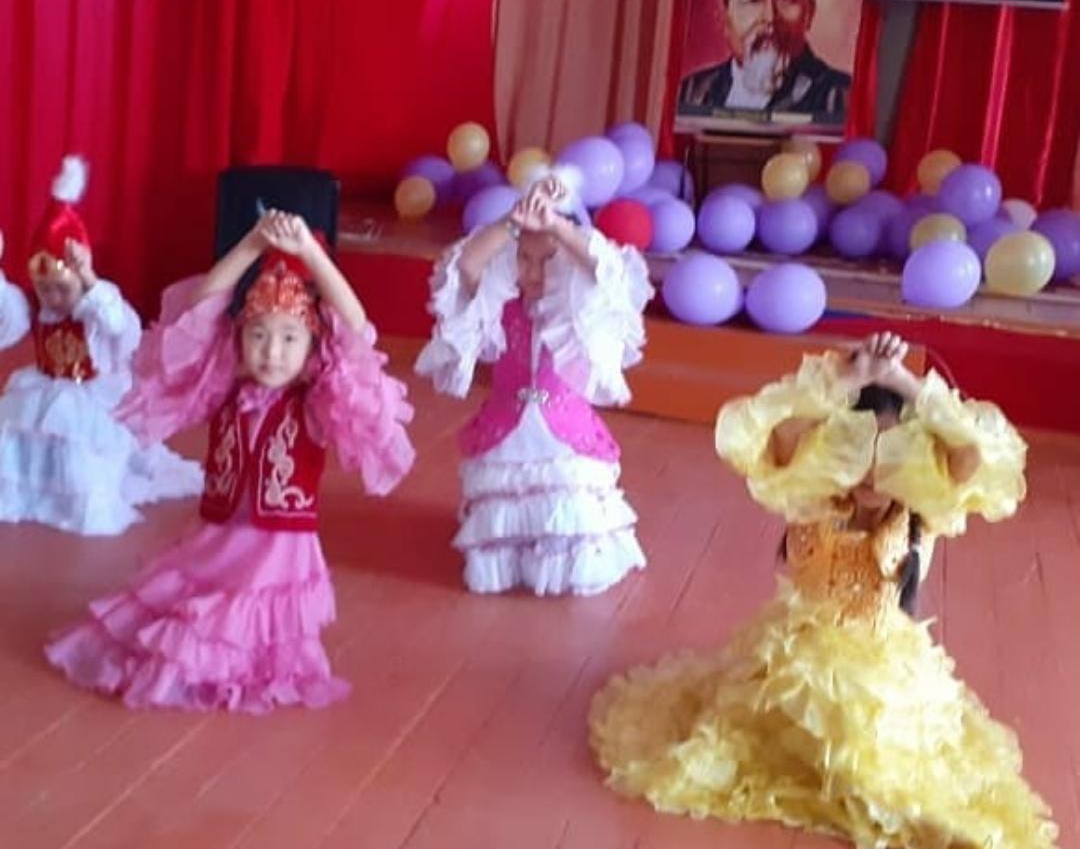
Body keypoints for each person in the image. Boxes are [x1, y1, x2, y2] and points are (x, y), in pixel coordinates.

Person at [590, 333, 1058, 847]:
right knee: (795, 754)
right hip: (796, 662)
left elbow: (975, 449)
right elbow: (773, 429)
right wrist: (846, 379)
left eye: (889, 454)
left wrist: (903, 382)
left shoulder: (921, 510)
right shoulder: (812, 497)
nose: (871, 473)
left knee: (876, 767)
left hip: (881, 672)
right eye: (855, 450)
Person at [45, 210, 416, 712]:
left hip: (277, 552)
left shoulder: (315, 402)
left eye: (289, 338)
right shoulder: (222, 387)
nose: (272, 352)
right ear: (238, 338)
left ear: (313, 347)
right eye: (258, 334)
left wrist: (311, 254)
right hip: (217, 540)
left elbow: (354, 326)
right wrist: (251, 244)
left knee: (233, 638)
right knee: (179, 622)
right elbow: (201, 307)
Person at [415, 173, 652, 596]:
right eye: (524, 258)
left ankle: (561, 559)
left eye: (547, 259)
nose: (534, 271)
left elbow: (605, 271)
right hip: (506, 428)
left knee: (568, 506)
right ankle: (513, 558)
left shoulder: (578, 308)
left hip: (565, 435)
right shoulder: (500, 302)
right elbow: (467, 265)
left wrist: (556, 224)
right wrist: (515, 220)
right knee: (507, 506)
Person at [0, 156, 202, 535]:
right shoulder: (39, 311)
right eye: (45, 289)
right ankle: (34, 487)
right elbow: (8, 318)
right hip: (44, 388)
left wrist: (90, 281)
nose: (54, 298)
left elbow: (120, 325)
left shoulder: (96, 310)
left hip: (89, 398)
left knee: (78, 451)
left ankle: (76, 494)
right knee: (16, 434)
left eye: (63, 288)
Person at [679, 0, 851, 119]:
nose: (770, 17)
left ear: (810, 13)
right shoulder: (691, 91)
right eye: (752, 0)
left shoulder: (842, 95)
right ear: (724, 18)